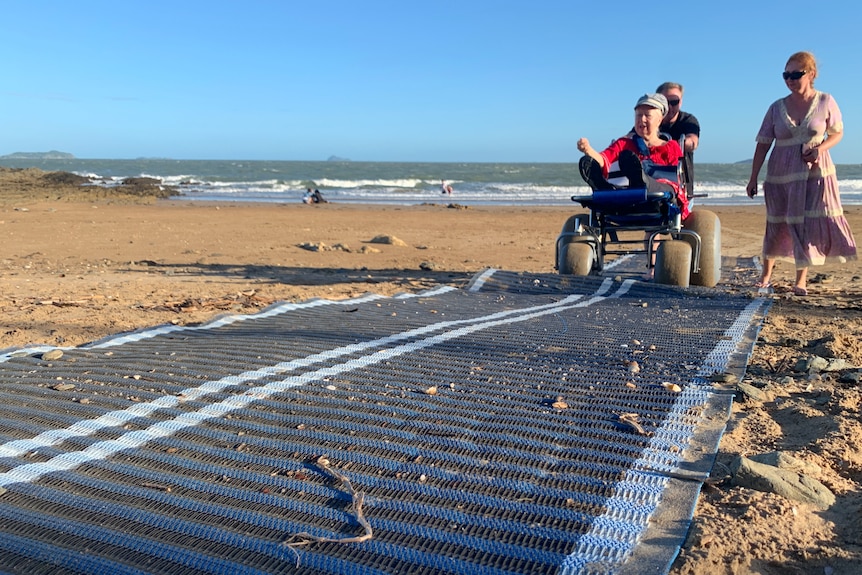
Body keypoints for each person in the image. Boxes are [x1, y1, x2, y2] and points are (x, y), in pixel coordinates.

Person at [745, 51, 857, 296]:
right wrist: (753, 177)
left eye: (796, 74)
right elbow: (763, 143)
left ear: (812, 74)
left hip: (814, 173)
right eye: (786, 75)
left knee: (805, 222)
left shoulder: (826, 101)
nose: (790, 79)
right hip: (780, 176)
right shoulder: (776, 107)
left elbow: (836, 133)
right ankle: (765, 276)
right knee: (776, 222)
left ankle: (801, 280)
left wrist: (819, 148)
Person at [577, 93, 688, 218]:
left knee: (657, 184)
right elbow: (604, 159)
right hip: (628, 198)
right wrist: (589, 150)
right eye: (639, 115)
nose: (642, 119)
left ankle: (641, 181)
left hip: (659, 196)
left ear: (660, 119)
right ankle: (603, 187)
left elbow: (676, 181)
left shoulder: (671, 146)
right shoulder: (624, 143)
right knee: (623, 165)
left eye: (647, 115)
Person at [656, 82, 700, 190]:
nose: (670, 106)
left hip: (682, 185)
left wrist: (685, 143)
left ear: (680, 102)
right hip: (655, 182)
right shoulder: (651, 120)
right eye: (666, 102)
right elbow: (632, 136)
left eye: (674, 102)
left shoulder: (688, 120)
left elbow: (693, 141)